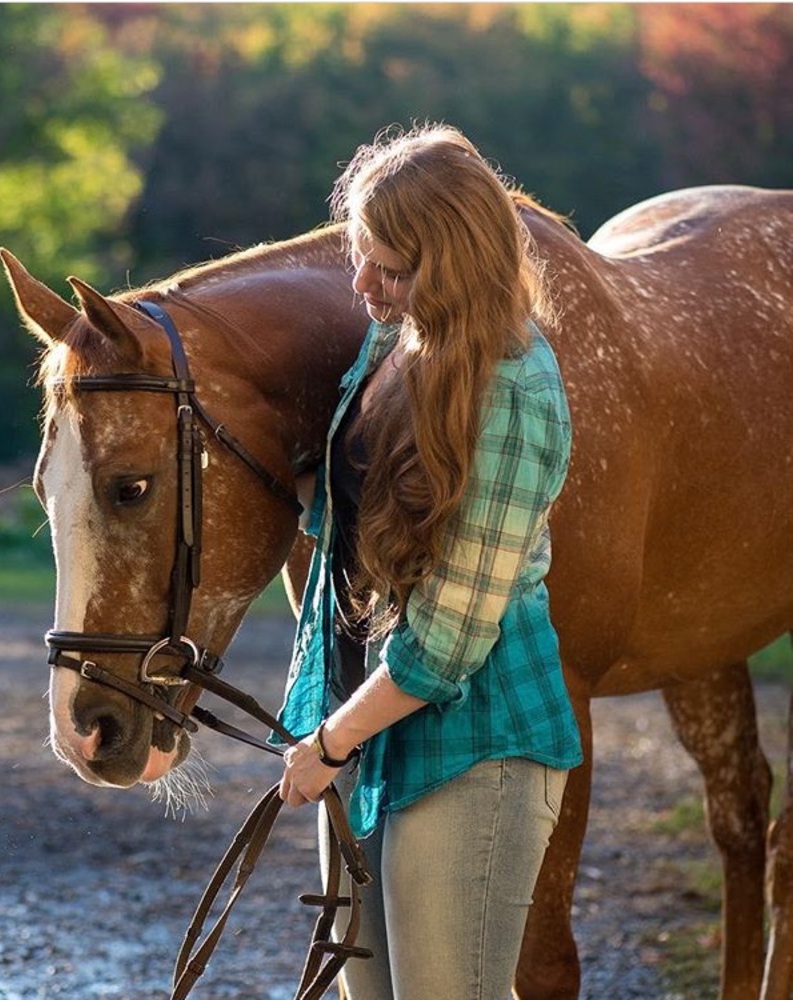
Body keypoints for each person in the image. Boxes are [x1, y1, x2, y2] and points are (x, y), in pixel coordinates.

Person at [276, 123, 583, 999]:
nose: (363, 284)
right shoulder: (396, 339)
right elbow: (347, 509)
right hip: (361, 715)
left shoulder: (517, 392)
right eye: (360, 255)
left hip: (473, 736)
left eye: (391, 267)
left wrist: (331, 743)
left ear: (452, 264)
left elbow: (447, 642)